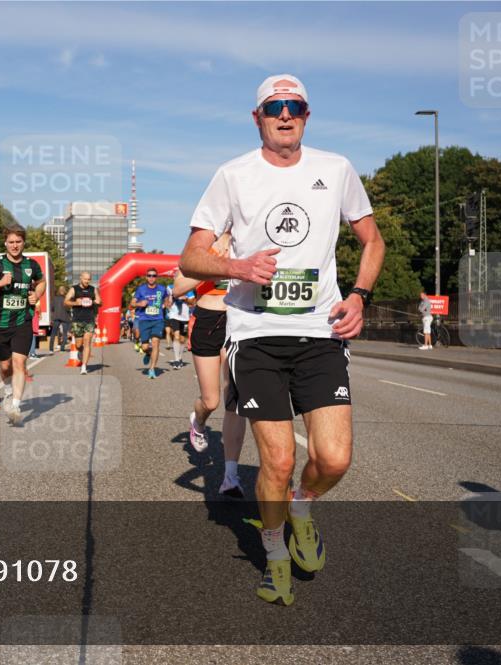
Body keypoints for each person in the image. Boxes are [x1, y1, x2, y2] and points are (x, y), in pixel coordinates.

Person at [180, 74, 385, 606]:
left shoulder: (335, 169)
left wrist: (360, 295)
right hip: (256, 335)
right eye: (275, 107)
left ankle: (301, 508)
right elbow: (190, 258)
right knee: (275, 461)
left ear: (307, 115)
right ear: (258, 118)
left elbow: (372, 240)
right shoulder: (233, 176)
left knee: (334, 459)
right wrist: (237, 265)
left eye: (295, 106)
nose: (285, 114)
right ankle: (274, 559)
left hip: (320, 332)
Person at [174, 234, 249, 499]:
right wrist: (214, 263)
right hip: (208, 319)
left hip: (240, 320)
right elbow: (178, 288)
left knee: (234, 400)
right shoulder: (202, 246)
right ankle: (199, 423)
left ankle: (230, 476)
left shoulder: (251, 237)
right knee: (211, 400)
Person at [0, 223, 45, 425]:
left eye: (18, 242)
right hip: (0, 322)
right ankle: (8, 390)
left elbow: (41, 282)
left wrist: (36, 294)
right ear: (5, 243)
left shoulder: (31, 265)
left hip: (23, 320)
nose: (15, 246)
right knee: (5, 365)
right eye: (11, 242)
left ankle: (15, 405)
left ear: (23, 243)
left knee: (19, 363)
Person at [130, 268, 171, 379]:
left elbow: (167, 299)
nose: (151, 277)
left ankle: (152, 369)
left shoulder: (162, 289)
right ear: (146, 277)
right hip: (144, 319)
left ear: (156, 277)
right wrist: (139, 304)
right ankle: (148, 353)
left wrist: (166, 304)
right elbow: (132, 303)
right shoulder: (141, 289)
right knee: (144, 347)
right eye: (149, 275)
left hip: (158, 320)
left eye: (154, 275)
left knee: (156, 342)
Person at [65, 272, 102, 374]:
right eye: (85, 279)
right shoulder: (74, 289)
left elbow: (100, 301)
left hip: (90, 319)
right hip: (77, 320)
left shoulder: (93, 289)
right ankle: (80, 352)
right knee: (78, 344)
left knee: (87, 341)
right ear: (81, 278)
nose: (87, 281)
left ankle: (84, 367)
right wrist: (75, 303)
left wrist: (96, 302)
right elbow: (66, 302)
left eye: (89, 279)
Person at [165, 285, 193, 370]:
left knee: (182, 338)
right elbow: (167, 301)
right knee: (176, 336)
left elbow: (192, 302)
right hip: (174, 316)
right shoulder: (170, 287)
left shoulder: (189, 287)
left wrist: (186, 299)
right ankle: (176, 360)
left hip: (185, 317)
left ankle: (180, 357)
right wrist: (170, 300)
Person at [49, 285, 70, 353]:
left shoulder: (55, 298)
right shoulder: (66, 299)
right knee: (64, 333)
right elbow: (68, 309)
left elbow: (52, 308)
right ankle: (62, 349)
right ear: (64, 292)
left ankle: (51, 349)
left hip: (56, 317)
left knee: (53, 333)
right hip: (64, 317)